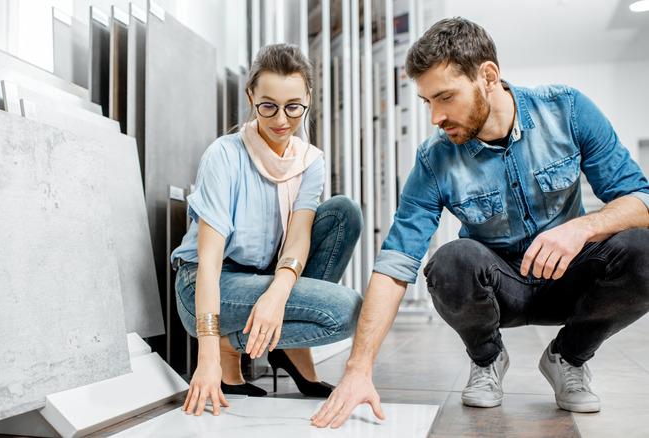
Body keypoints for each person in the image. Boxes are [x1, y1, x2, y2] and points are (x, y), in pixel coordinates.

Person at [311, 17, 649, 428]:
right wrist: (357, 369)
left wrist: (581, 228)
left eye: (445, 97)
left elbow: (641, 199)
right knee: (450, 261)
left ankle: (569, 356)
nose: (435, 116)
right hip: (498, 288)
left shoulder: (568, 110)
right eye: (426, 102)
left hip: (571, 277)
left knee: (644, 251)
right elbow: (395, 262)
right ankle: (487, 359)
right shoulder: (434, 159)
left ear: (487, 75)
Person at [171, 43, 364, 417]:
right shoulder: (223, 156)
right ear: (250, 97)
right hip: (206, 285)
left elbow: (298, 237)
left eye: (294, 107)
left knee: (344, 213)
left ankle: (285, 345)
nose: (281, 120)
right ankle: (229, 348)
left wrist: (278, 294)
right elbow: (209, 262)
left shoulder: (309, 162)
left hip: (261, 277)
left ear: (308, 97)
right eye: (268, 106)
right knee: (345, 311)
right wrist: (207, 354)